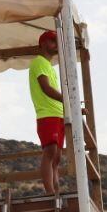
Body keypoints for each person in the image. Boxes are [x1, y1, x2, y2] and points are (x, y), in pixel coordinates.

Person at [28, 29, 65, 195]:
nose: (55, 44)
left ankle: (55, 192)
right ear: (42, 43)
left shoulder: (49, 66)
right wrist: (67, 100)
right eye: (52, 41)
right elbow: (46, 88)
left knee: (56, 157)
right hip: (47, 113)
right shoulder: (39, 62)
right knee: (50, 152)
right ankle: (50, 193)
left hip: (57, 113)